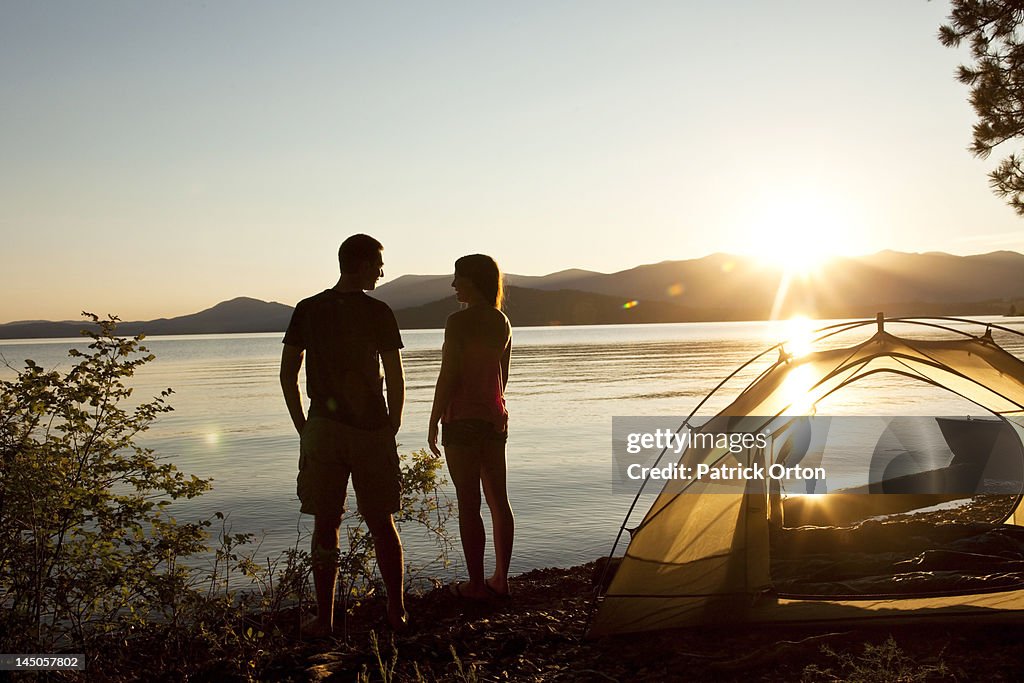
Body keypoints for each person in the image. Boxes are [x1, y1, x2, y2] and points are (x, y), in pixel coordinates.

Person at [280, 234, 408, 636]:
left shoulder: (308, 309)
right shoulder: (378, 311)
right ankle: (396, 612)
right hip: (370, 429)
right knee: (382, 521)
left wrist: (304, 426)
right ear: (362, 264)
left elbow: (288, 374)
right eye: (378, 264)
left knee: (325, 523)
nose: (382, 272)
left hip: (324, 429)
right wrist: (393, 423)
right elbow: (396, 374)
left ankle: (327, 619)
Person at [428, 254, 514, 600]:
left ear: (472, 280)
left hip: (461, 419)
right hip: (495, 418)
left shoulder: (458, 322)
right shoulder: (502, 321)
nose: (453, 285)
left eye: (457, 277)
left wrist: (434, 417)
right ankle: (502, 580)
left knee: (468, 503)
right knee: (499, 502)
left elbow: (449, 373)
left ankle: (476, 585)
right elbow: (502, 378)